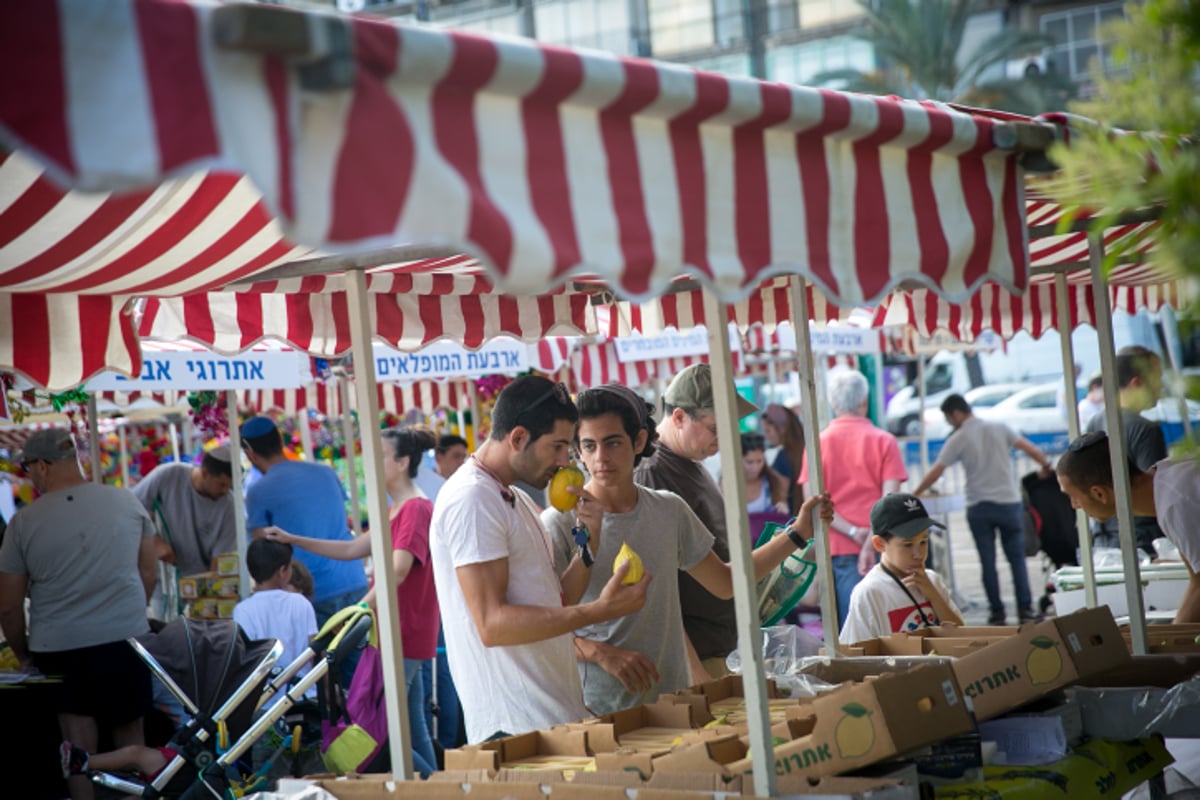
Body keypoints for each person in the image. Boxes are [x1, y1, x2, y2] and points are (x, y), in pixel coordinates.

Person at [543, 385, 831, 715]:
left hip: (674, 701)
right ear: (577, 452)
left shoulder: (668, 509)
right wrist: (597, 653)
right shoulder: (560, 524)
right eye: (589, 446)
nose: (601, 458)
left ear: (638, 441)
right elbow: (540, 626)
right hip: (596, 709)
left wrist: (797, 534)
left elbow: (724, 583)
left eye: (612, 443)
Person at [430, 376, 649, 742]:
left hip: (547, 719)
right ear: (517, 438)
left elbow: (556, 601)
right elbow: (493, 625)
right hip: (514, 728)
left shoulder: (513, 497)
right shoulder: (473, 499)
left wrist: (588, 544)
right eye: (558, 446)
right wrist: (601, 611)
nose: (567, 460)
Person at [264, 425, 441, 776]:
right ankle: (439, 788)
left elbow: (398, 570)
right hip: (398, 631)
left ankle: (433, 789)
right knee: (410, 730)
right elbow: (350, 549)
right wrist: (291, 537)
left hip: (403, 630)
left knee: (386, 733)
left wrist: (360, 608)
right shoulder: (397, 509)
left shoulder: (415, 509)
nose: (370, 464)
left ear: (403, 462)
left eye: (380, 457)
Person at [0, 429, 158, 800]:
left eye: (28, 469)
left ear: (42, 466)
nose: (29, 477)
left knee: (77, 743)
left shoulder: (24, 523)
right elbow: (148, 572)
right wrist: (129, 610)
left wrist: (23, 654)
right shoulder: (125, 501)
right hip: (125, 636)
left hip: (60, 644)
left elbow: (8, 606)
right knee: (130, 733)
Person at [633, 363, 757, 679]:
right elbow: (656, 590)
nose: (723, 439)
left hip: (721, 647)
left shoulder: (693, 460)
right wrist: (693, 669)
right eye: (716, 429)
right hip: (693, 661)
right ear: (678, 417)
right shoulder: (653, 472)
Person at [911, 393, 1054, 625]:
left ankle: (997, 612)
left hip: (979, 507)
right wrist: (1046, 467)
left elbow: (937, 470)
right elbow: (1032, 450)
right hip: (1009, 504)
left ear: (956, 413)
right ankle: (1025, 610)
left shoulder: (959, 438)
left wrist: (915, 493)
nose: (949, 424)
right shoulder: (1000, 427)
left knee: (987, 562)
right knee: (1017, 560)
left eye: (949, 419)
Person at [799, 367, 908, 632]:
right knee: (888, 627)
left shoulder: (817, 444)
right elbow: (890, 500)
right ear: (864, 401)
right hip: (884, 547)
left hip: (837, 548)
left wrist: (853, 531)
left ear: (833, 403)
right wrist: (871, 536)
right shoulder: (885, 440)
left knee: (851, 632)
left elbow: (813, 503)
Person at [1056, 431, 1200, 622]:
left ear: (1099, 493)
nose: (1074, 505)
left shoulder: (1174, 505)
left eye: (1072, 496)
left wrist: (1169, 641)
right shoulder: (1168, 480)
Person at [241, 416, 369, 627]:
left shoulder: (259, 492)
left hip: (310, 592)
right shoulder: (326, 472)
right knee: (361, 658)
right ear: (281, 442)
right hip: (354, 579)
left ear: (250, 454)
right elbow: (340, 518)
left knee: (324, 660)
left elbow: (263, 552)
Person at [839, 493, 963, 644]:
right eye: (908, 545)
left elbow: (962, 638)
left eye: (923, 541)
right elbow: (855, 654)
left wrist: (933, 596)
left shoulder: (932, 580)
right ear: (879, 544)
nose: (918, 554)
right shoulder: (870, 592)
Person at [1085, 345, 1167, 558]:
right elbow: (1157, 494)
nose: (1162, 385)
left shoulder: (1095, 421)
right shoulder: (1145, 430)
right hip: (1144, 544)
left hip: (1104, 542)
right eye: (1158, 377)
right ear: (1136, 383)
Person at [131, 444, 237, 579]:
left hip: (200, 582)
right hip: (162, 579)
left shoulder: (228, 505)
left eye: (229, 486)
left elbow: (220, 562)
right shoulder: (169, 475)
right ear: (204, 473)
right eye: (221, 484)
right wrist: (154, 541)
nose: (225, 491)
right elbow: (131, 508)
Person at [233, 538, 318, 704]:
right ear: (283, 571)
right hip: (304, 696)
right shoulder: (301, 602)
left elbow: (243, 660)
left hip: (263, 704)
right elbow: (315, 651)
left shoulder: (243, 610)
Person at [762, 403, 805, 513]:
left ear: (782, 429)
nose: (766, 436)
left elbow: (780, 497)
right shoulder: (804, 450)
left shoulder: (783, 457)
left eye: (768, 431)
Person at [737, 433, 790, 515]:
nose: (755, 467)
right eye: (749, 462)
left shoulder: (773, 482)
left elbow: (782, 509)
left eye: (759, 461)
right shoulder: (725, 486)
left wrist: (783, 510)